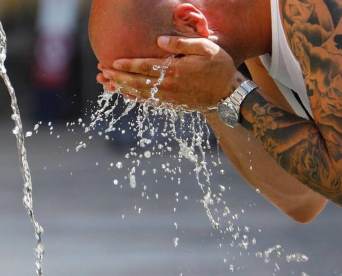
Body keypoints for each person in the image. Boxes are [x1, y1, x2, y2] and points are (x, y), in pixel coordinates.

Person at [89, 0, 342, 223]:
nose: (157, 94)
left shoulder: (313, 10)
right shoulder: (259, 34)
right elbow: (301, 197)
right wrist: (208, 97)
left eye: (152, 74)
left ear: (189, 23)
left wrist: (231, 92)